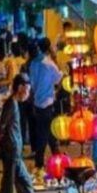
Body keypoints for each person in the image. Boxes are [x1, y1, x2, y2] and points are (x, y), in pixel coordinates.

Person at [0, 74, 35, 193]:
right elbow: (1, 126)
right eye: (27, 90)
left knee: (23, 180)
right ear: (21, 87)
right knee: (9, 183)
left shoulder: (14, 104)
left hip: (14, 150)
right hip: (10, 150)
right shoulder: (11, 104)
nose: (28, 93)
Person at [27, 37, 63, 170]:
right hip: (47, 102)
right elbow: (58, 79)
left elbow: (32, 83)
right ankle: (42, 162)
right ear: (49, 48)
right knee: (46, 133)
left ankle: (55, 159)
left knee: (46, 132)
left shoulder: (33, 64)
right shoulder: (49, 64)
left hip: (37, 102)